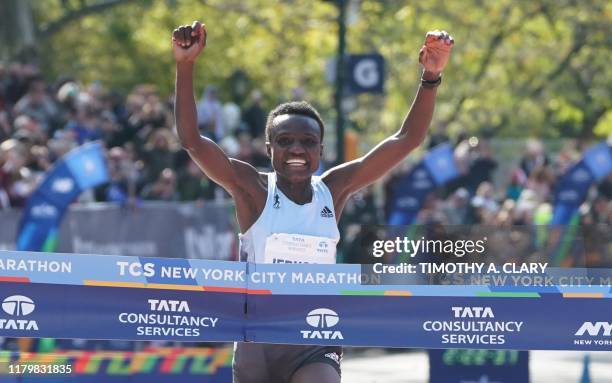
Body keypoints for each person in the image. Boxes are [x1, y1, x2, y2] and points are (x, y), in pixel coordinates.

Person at [172, 20, 453, 383]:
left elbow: (406, 140)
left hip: (315, 335)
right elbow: (193, 141)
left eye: (307, 142)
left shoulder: (333, 189)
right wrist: (185, 65)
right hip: (257, 338)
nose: (297, 150)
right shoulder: (253, 189)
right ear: (269, 149)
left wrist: (430, 78)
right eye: (285, 141)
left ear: (321, 149)